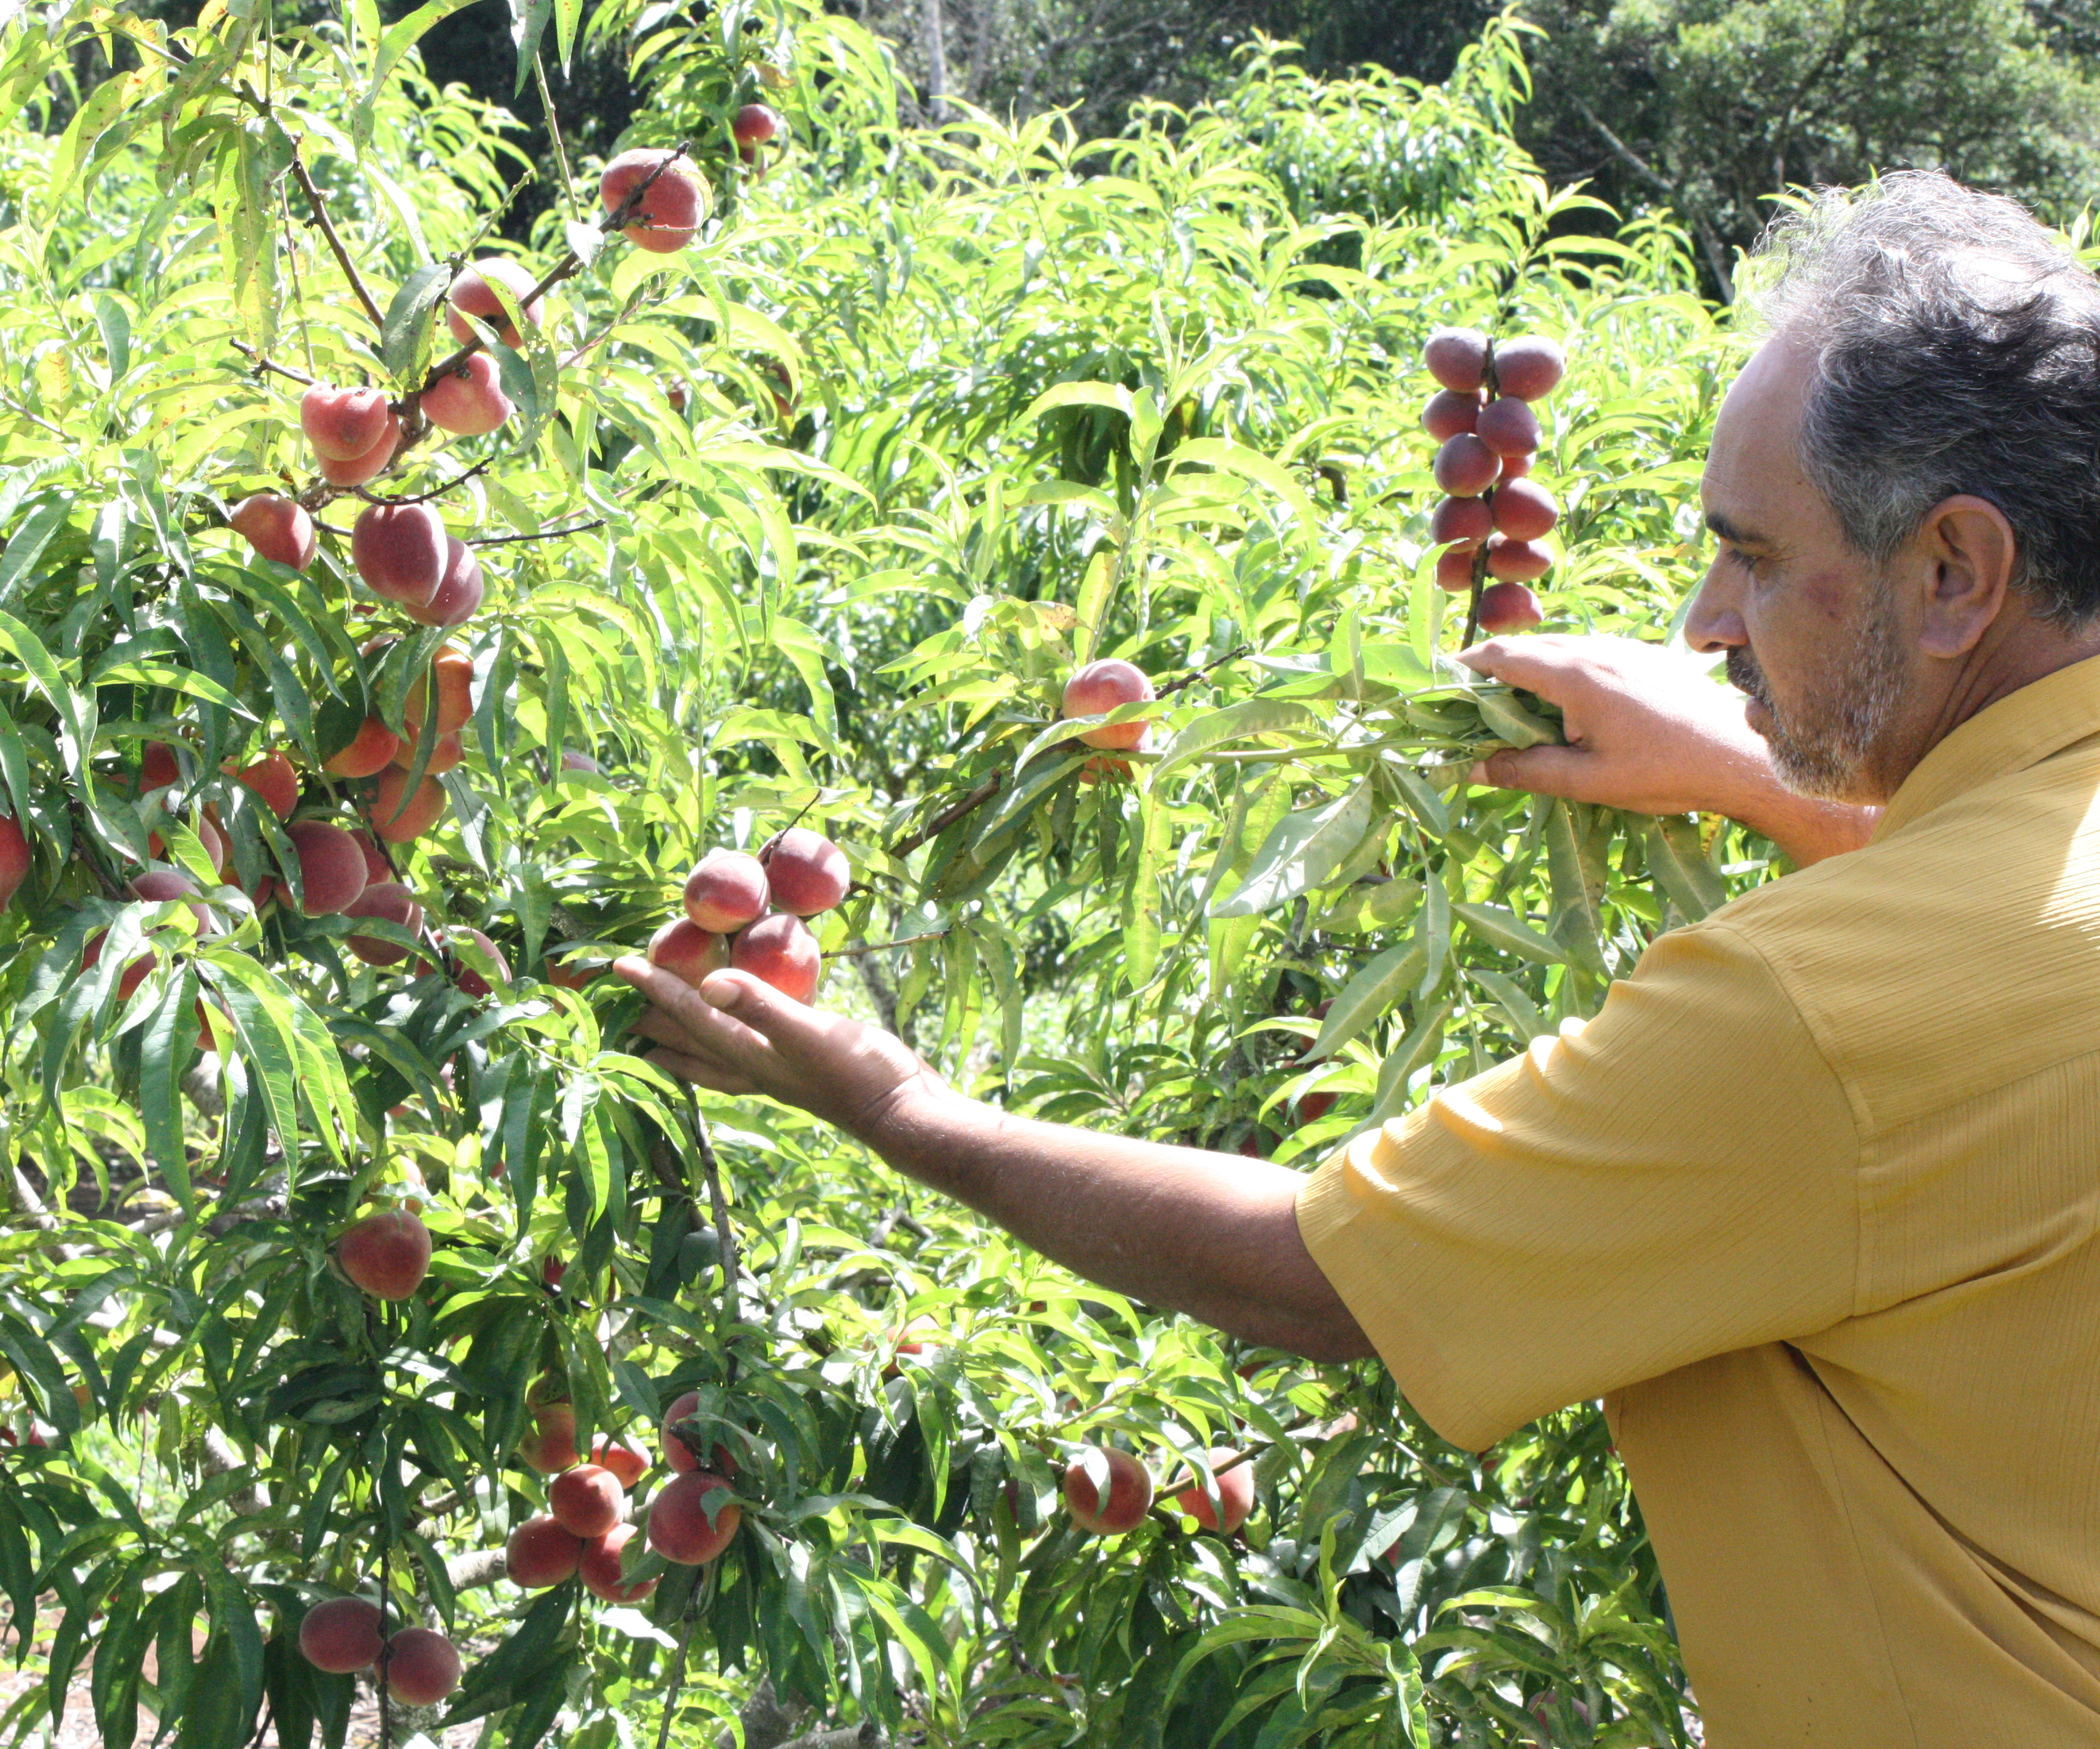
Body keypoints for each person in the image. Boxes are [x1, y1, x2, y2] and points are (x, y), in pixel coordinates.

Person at [615, 170, 2100, 1748]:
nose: (1703, 623)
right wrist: (1747, 772)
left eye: (1750, 555)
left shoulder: (1814, 1023)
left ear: (1955, 574)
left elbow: (1327, 1273)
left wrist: (905, 1112)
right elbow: (1984, 941)